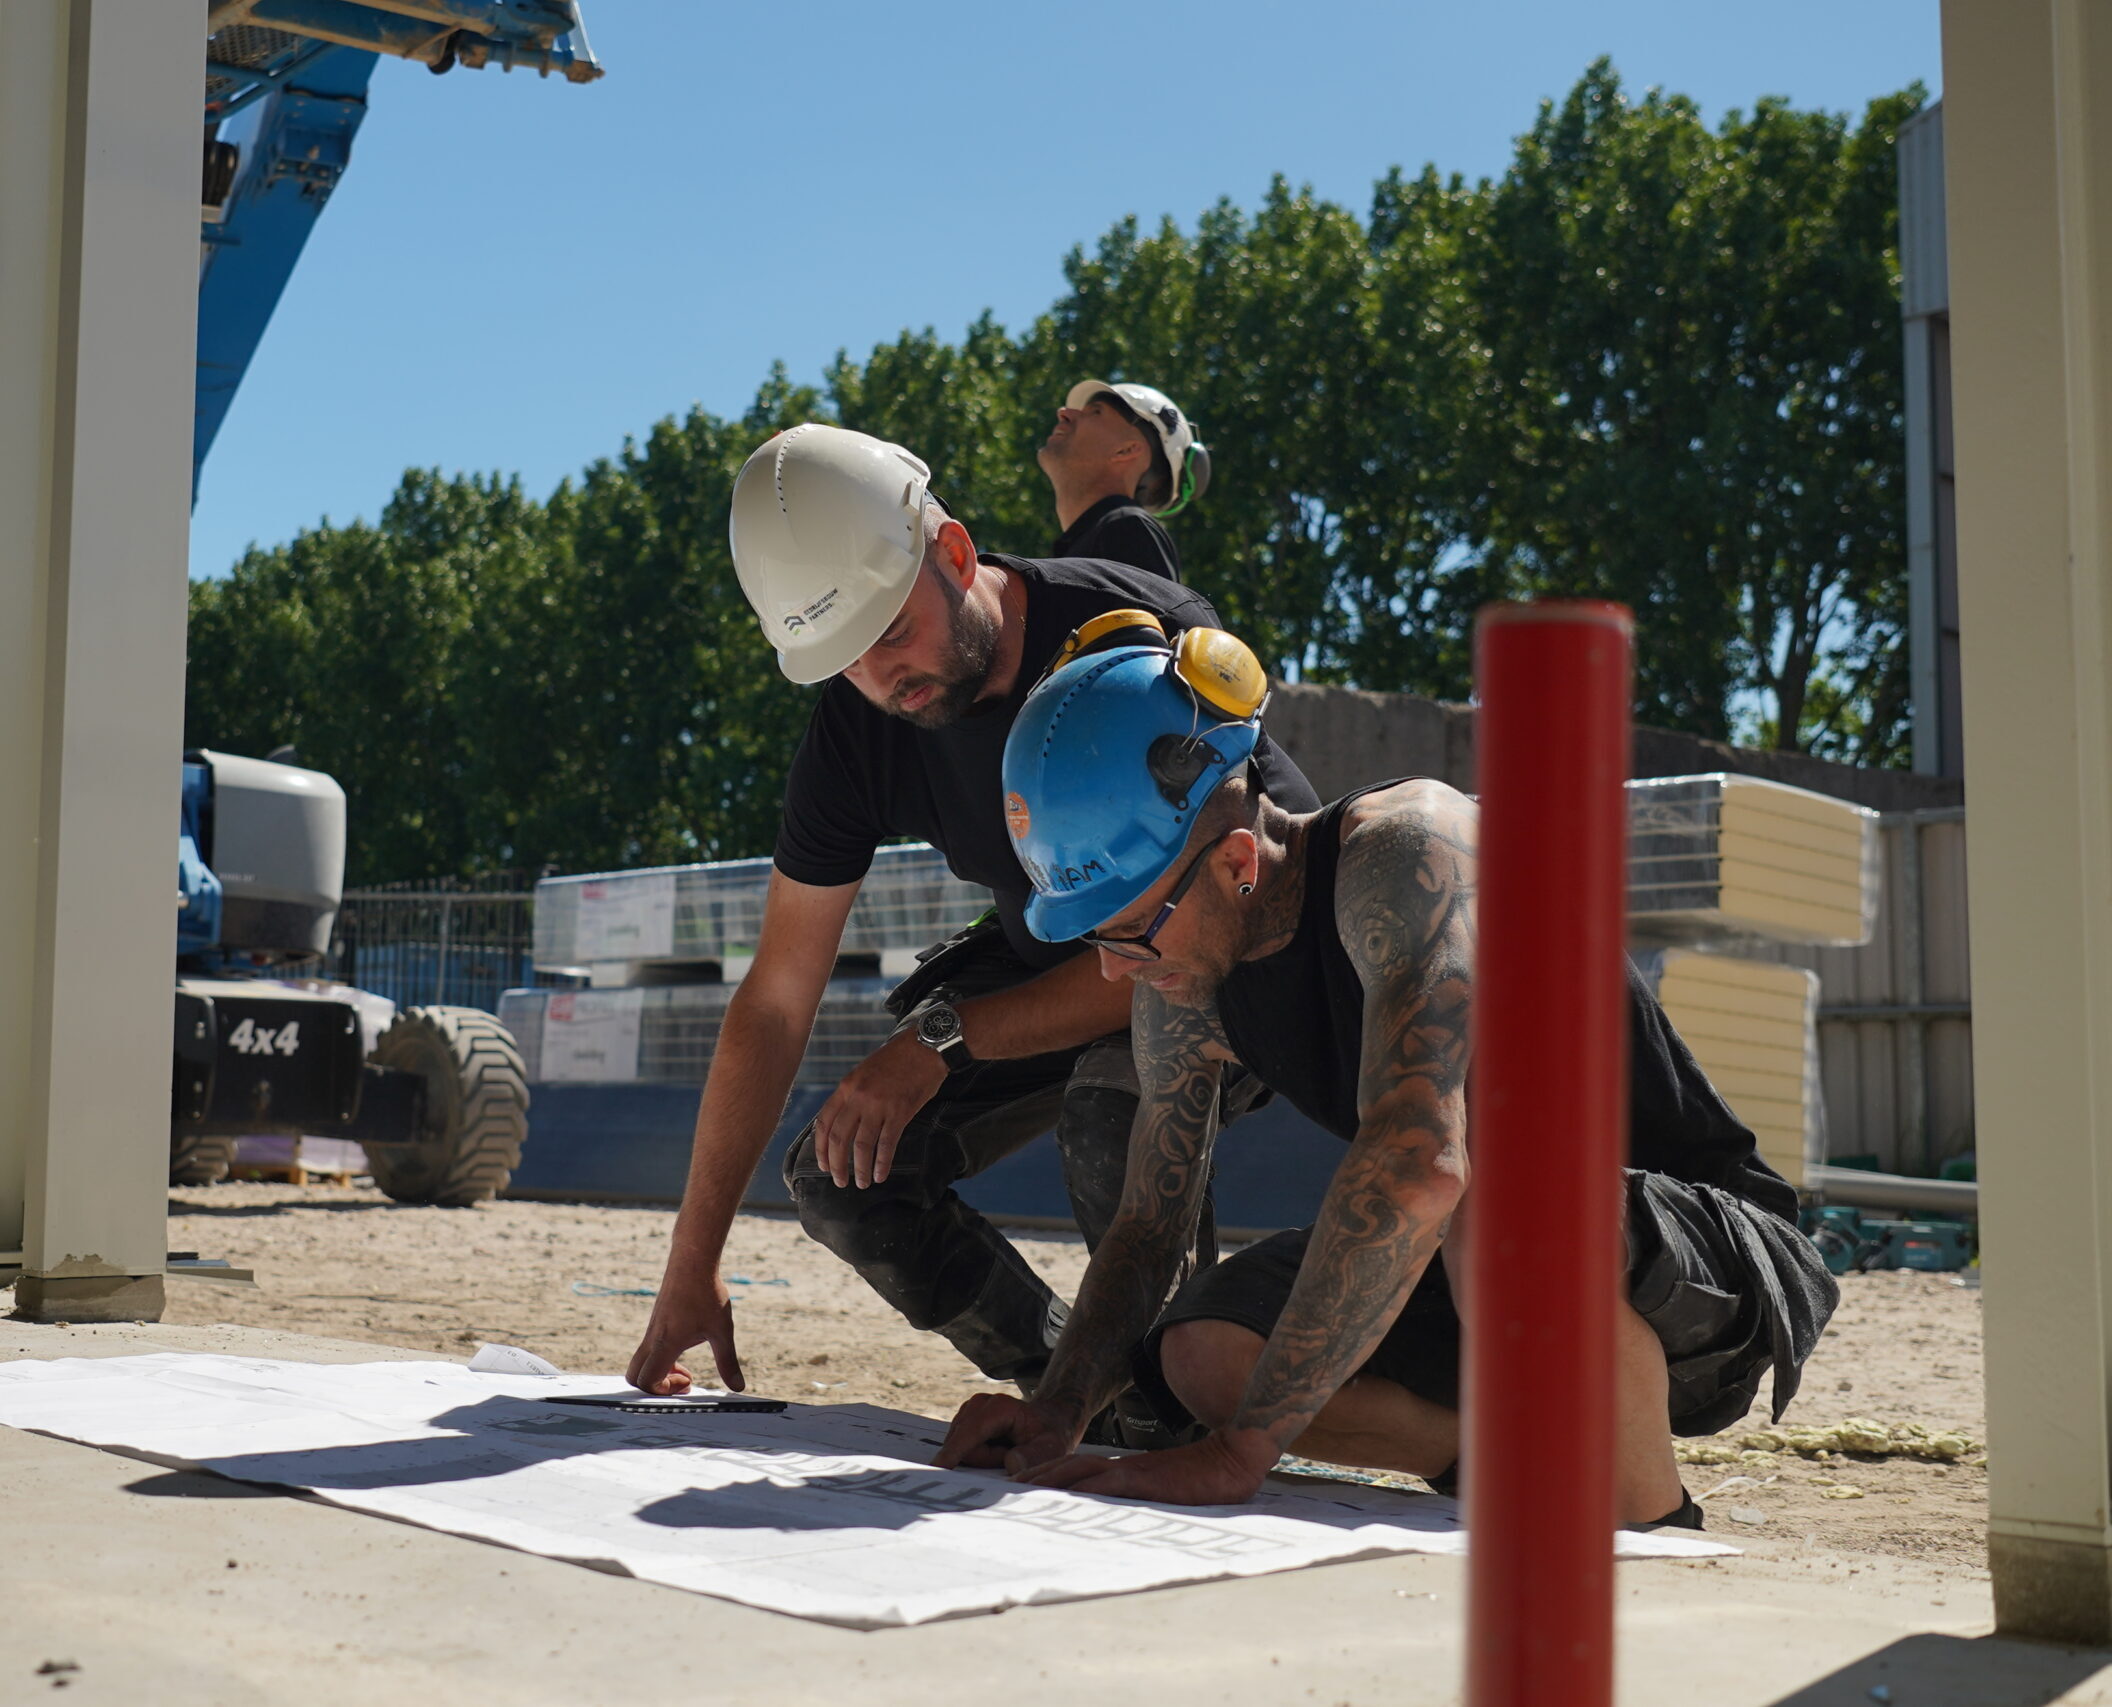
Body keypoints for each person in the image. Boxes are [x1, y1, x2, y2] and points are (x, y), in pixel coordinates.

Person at [937, 632, 1839, 1521]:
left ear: (1237, 863)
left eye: (1127, 932)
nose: (1112, 971)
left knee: (1482, 1197)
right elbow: (1147, 1224)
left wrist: (1237, 1456)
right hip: (1480, 1278)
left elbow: (1422, 1162)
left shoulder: (1411, 853)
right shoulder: (1189, 967)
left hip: (1689, 1265)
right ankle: (1502, 1457)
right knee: (1202, 1353)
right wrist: (1056, 1412)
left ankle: (1643, 1519)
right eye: (1095, 938)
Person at [625, 424, 1317, 1402]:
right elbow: (776, 1000)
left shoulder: (1125, 646)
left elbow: (1187, 933)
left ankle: (1184, 1395)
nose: (880, 680)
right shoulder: (860, 729)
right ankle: (1088, 1392)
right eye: (846, 659)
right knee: (843, 1172)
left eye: (893, 632)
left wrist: (942, 1040)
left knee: (1108, 1110)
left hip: (1228, 953)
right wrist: (690, 1267)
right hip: (1063, 954)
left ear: (952, 552)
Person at [1037, 380, 1209, 583]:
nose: (1064, 412)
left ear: (1126, 450)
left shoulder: (1129, 529)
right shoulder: (1096, 540)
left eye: (1095, 412)